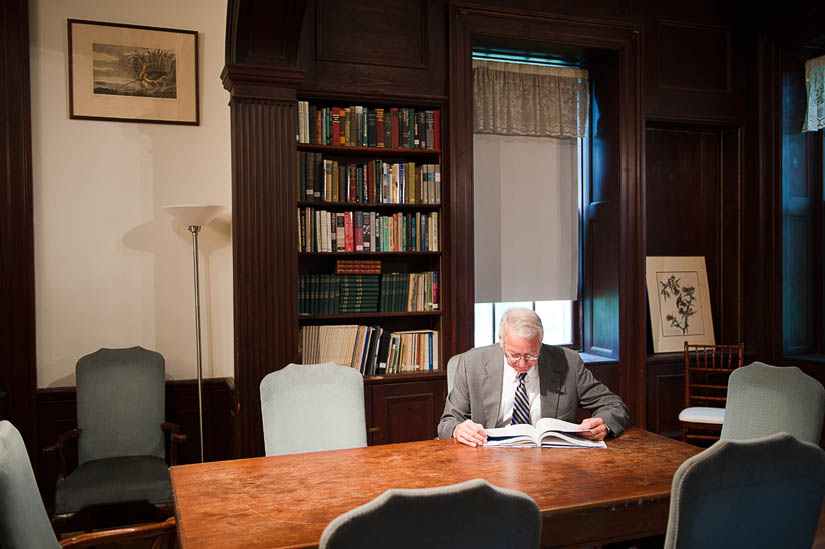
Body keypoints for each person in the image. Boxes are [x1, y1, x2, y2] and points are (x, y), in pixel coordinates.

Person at [438, 307, 629, 447]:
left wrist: (603, 423)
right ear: (501, 341)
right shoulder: (472, 363)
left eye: (531, 356)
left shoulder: (567, 363)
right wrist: (458, 429)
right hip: (489, 458)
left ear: (540, 343)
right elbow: (447, 422)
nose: (522, 364)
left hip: (551, 462)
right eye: (514, 355)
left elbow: (614, 406)